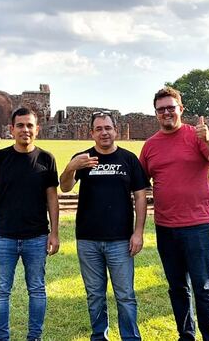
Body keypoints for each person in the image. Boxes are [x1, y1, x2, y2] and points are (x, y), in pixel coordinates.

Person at [139, 87, 209, 341]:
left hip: (197, 224)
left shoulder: (195, 136)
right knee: (177, 287)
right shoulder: (150, 146)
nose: (166, 112)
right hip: (166, 226)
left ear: (181, 109)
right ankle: (185, 335)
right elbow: (140, 183)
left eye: (171, 107)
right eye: (161, 109)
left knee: (202, 286)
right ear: (156, 113)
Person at [60, 111, 148, 341]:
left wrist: (138, 232)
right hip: (88, 238)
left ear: (115, 130)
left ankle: (130, 337)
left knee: (125, 294)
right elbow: (66, 187)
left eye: (108, 128)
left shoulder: (128, 159)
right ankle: (99, 336)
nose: (104, 133)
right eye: (98, 129)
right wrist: (71, 167)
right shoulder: (82, 158)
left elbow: (140, 197)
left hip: (120, 239)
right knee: (95, 294)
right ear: (92, 133)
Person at [0, 107, 60, 341]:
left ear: (37, 129)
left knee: (36, 289)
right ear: (11, 129)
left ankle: (34, 337)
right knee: (1, 291)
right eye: (20, 125)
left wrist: (54, 233)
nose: (25, 130)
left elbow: (52, 198)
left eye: (29, 125)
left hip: (36, 236)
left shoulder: (46, 158)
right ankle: (1, 338)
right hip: (4, 235)